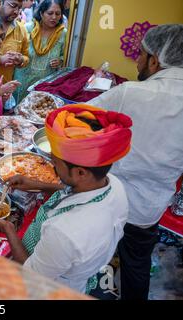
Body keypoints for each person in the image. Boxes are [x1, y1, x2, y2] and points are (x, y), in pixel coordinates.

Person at [0, 104, 132, 294]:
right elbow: (71, 190)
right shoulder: (113, 185)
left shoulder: (64, 233)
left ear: (80, 172)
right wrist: (36, 183)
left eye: (55, 163)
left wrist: (8, 229)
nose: (52, 165)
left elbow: (30, 273)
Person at [87, 24, 183, 300]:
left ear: (155, 60)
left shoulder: (129, 93)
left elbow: (75, 119)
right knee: (136, 265)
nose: (136, 60)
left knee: (96, 257)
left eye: (140, 54)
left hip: (109, 199)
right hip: (150, 207)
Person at [13, 0, 66, 102]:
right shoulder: (28, 29)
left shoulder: (63, 34)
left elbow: (64, 56)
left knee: (38, 109)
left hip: (45, 84)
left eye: (58, 14)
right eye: (50, 13)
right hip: (22, 80)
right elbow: (17, 51)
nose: (54, 17)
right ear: (41, 13)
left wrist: (60, 60)